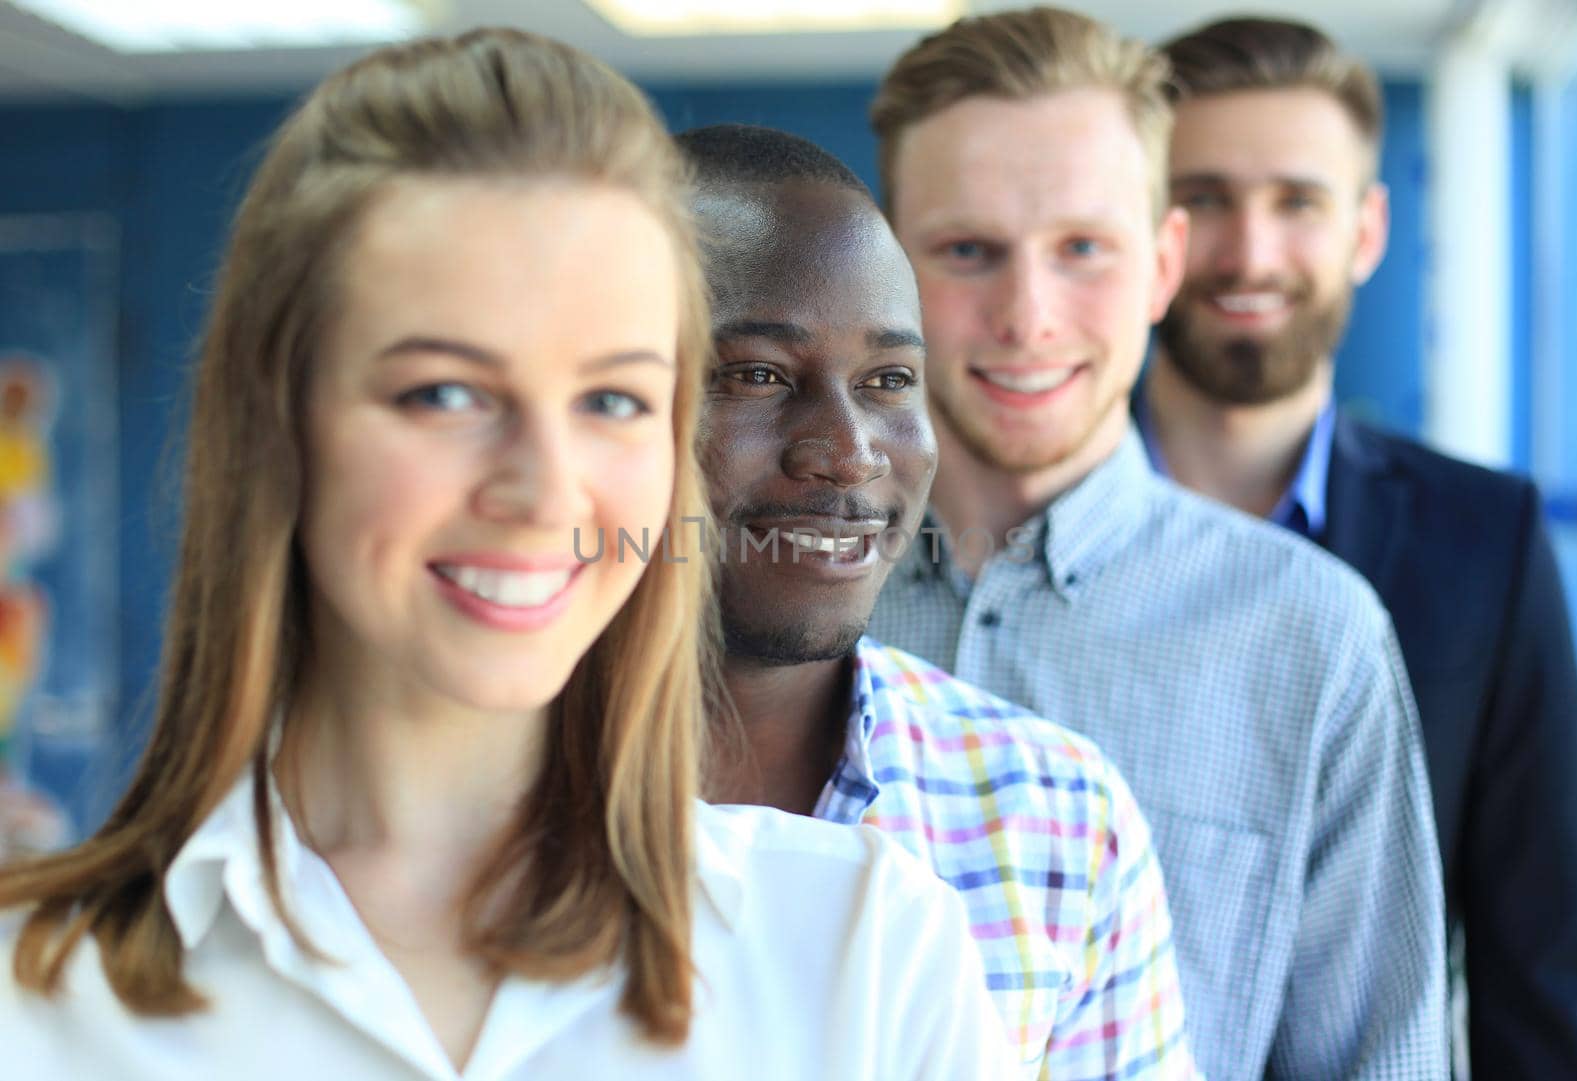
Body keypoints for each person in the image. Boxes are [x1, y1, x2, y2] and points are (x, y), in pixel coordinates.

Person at [0, 30, 1015, 1080]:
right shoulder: (36, 996)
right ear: (279, 423)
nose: (542, 489)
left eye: (612, 398)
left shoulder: (866, 952)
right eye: (446, 393)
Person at [865, 8, 1448, 1078]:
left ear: (1163, 263)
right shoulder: (767, 601)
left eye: (1082, 248)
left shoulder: (1312, 638)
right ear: (885, 266)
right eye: (966, 251)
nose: (1028, 316)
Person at [679, 122, 1200, 1079]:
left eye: (888, 380)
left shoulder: (1057, 815)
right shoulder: (453, 792)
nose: (847, 449)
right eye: (756, 374)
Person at [1143, 16, 1577, 1077]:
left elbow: (1546, 969)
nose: (1250, 251)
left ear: (1365, 228)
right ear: (1146, 226)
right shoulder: (1019, 518)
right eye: (1202, 196)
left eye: (1296, 201)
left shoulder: (1482, 542)